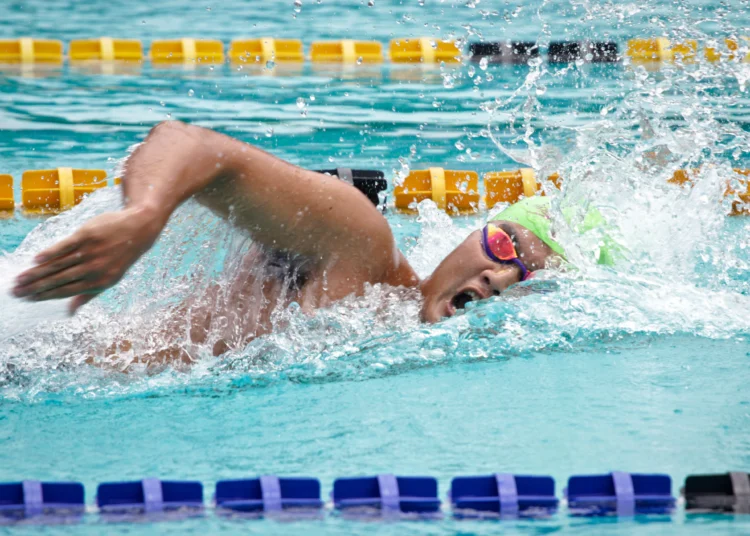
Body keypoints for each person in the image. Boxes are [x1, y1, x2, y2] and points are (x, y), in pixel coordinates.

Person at [11, 121, 571, 362]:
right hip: (30, 342)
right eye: (506, 245)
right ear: (469, 235)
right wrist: (144, 215)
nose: (501, 275)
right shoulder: (362, 245)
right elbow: (194, 146)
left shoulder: (390, 336)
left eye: (527, 277)